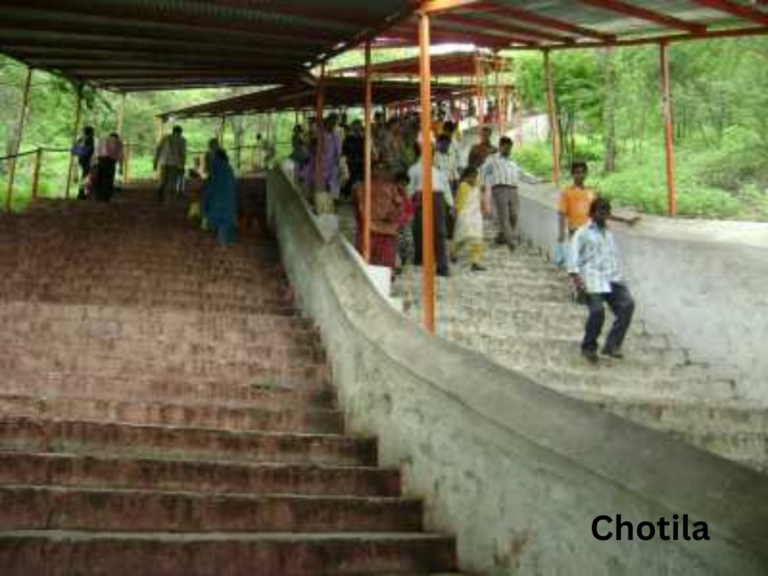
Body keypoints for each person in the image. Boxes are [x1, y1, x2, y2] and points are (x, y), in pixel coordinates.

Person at [568, 197, 635, 364]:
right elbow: (572, 257)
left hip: (612, 279)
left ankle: (612, 346)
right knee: (597, 311)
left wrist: (621, 279)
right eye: (600, 211)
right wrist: (577, 280)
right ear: (593, 213)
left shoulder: (609, 234)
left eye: (606, 211)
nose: (603, 214)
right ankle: (588, 347)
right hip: (592, 280)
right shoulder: (582, 232)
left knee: (628, 304)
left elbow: (612, 258)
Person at [480, 136, 535, 251]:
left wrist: (537, 180)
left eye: (510, 148)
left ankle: (502, 236)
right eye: (506, 147)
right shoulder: (492, 159)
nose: (508, 150)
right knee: (504, 216)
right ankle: (511, 242)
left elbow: (522, 174)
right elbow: (483, 170)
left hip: (513, 189)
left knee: (514, 215)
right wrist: (483, 184)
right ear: (500, 147)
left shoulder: (512, 161)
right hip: (499, 189)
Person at [407, 146, 453, 277]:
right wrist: (408, 204)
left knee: (439, 232)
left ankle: (442, 265)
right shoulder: (414, 169)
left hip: (437, 197)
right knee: (419, 229)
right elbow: (409, 188)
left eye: (432, 153)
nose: (431, 155)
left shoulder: (438, 171)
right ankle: (420, 257)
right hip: (420, 196)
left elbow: (446, 188)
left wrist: (451, 205)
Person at [353, 162, 405, 269]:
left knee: (367, 266)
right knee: (383, 267)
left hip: (370, 230)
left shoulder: (360, 187)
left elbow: (357, 212)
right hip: (383, 231)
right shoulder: (392, 188)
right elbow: (402, 208)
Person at [452, 166, 486, 272]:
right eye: (471, 177)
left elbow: (480, 201)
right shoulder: (462, 186)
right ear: (466, 177)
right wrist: (455, 213)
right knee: (462, 237)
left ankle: (475, 262)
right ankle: (453, 253)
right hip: (464, 216)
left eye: (475, 177)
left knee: (477, 237)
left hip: (476, 216)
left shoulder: (478, 187)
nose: (473, 179)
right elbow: (458, 201)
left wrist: (483, 210)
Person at [202, 149, 238, 246]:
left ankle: (222, 242)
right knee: (227, 222)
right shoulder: (229, 168)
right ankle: (229, 241)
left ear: (216, 157)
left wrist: (204, 205)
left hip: (217, 202)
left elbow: (209, 186)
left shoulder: (214, 167)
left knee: (219, 221)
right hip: (229, 202)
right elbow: (233, 185)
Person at [558, 161, 595, 242]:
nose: (580, 175)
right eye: (577, 172)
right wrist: (561, 234)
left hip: (589, 232)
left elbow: (596, 212)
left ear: (586, 174)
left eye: (583, 172)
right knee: (574, 254)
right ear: (572, 174)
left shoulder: (590, 192)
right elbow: (562, 214)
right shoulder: (566, 192)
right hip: (574, 231)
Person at [154, 125, 187, 202]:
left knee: (163, 181)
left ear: (173, 131)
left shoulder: (165, 138)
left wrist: (155, 162)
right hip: (174, 164)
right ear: (180, 132)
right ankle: (168, 199)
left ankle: (160, 196)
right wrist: (183, 164)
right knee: (171, 182)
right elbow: (183, 153)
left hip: (164, 162)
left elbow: (158, 150)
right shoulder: (182, 140)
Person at [93, 132, 123, 202]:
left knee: (100, 177)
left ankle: (99, 196)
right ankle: (106, 196)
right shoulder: (118, 142)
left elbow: (96, 151)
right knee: (108, 178)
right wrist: (121, 166)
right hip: (110, 161)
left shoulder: (102, 140)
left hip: (101, 159)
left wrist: (94, 162)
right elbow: (120, 155)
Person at [342, 120, 365, 200]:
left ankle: (357, 195)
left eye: (359, 126)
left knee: (360, 179)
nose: (358, 128)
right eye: (356, 126)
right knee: (351, 178)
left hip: (361, 161)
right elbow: (344, 150)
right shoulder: (348, 138)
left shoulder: (362, 138)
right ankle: (347, 194)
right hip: (352, 161)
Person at [73, 126, 95, 199]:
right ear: (91, 132)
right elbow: (89, 151)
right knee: (85, 176)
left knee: (86, 176)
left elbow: (75, 150)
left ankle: (83, 193)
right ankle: (81, 193)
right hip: (86, 160)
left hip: (83, 159)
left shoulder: (82, 139)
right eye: (92, 132)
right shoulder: (89, 139)